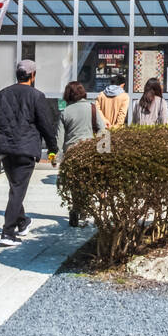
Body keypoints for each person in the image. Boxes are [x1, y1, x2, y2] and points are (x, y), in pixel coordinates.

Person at [0, 59, 59, 246]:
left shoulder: (2, 94)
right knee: (17, 190)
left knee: (15, 188)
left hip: (6, 148)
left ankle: (22, 222)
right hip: (26, 148)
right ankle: (7, 232)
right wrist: (52, 148)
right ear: (33, 75)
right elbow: (46, 124)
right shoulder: (37, 96)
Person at [56, 81, 106, 227]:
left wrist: (57, 156)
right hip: (89, 151)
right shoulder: (92, 108)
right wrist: (104, 151)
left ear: (68, 94)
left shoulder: (65, 112)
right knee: (87, 181)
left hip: (72, 152)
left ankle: (76, 209)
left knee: (74, 183)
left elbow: (59, 137)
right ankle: (84, 209)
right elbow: (102, 129)